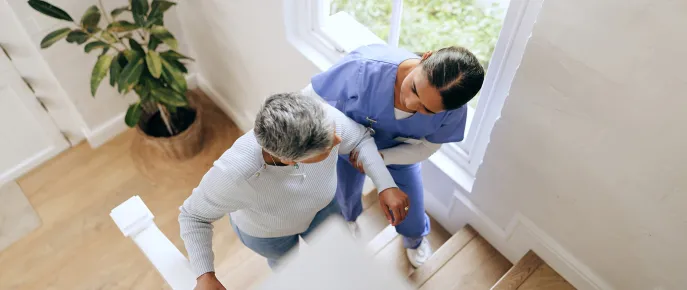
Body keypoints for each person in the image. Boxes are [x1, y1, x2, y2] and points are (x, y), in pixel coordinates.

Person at [179, 92, 410, 290]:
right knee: (289, 267)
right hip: (270, 236)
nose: (338, 138)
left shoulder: (320, 117)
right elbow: (193, 216)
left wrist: (385, 183)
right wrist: (205, 275)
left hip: (325, 208)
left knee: (338, 255)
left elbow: (358, 139)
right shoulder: (234, 173)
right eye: (328, 147)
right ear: (290, 160)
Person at [302, 44, 485, 268]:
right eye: (415, 89)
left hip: (399, 153)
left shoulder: (454, 111)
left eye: (427, 110)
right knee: (344, 194)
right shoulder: (363, 68)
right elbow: (307, 98)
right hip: (345, 148)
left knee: (411, 209)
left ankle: (414, 239)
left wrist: (382, 158)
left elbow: (427, 148)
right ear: (425, 57)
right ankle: (349, 219)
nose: (410, 104)